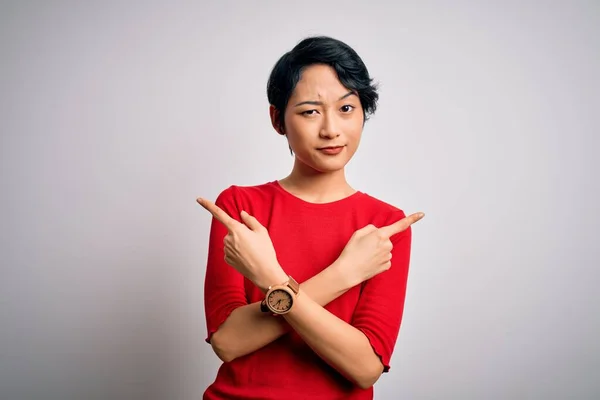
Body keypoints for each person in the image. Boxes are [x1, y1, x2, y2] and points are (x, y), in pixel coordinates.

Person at [197, 36, 424, 400]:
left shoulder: (385, 225)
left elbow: (365, 368)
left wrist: (270, 279)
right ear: (278, 120)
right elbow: (229, 342)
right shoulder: (240, 206)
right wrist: (343, 274)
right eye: (310, 111)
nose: (331, 129)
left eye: (346, 109)